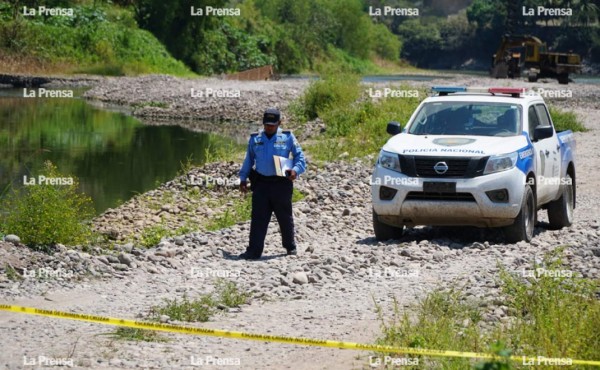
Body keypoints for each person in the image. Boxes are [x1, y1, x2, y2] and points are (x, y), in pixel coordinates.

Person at [238, 108, 306, 260]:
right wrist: (243, 178)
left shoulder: (287, 137)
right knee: (258, 218)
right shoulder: (255, 139)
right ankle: (254, 251)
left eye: (272, 125)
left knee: (284, 216)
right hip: (261, 183)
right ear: (263, 123)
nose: (269, 127)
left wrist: (295, 170)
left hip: (281, 183)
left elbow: (300, 157)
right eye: (266, 124)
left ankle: (290, 246)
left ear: (279, 123)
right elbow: (248, 159)